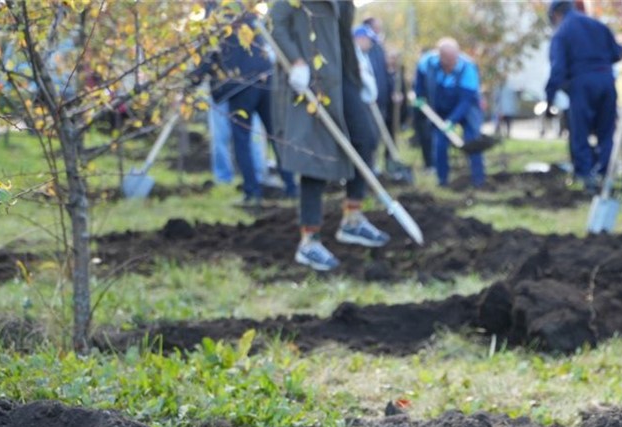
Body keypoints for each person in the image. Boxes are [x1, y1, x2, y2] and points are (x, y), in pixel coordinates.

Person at [270, 0, 389, 271]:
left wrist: (358, 75)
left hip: (342, 78)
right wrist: (296, 61)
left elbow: (343, 36)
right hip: (312, 81)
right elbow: (275, 25)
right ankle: (309, 241)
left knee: (366, 138)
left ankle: (352, 218)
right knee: (316, 155)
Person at [192, 4, 295, 208]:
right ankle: (291, 187)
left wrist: (194, 78)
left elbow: (209, 51)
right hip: (265, 77)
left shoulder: (215, 13)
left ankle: (252, 192)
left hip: (241, 84)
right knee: (276, 135)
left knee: (241, 138)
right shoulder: (242, 8)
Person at [544, 0, 622, 194]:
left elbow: (558, 70)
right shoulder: (598, 25)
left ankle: (587, 178)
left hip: (582, 84)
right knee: (606, 132)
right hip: (606, 81)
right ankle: (605, 175)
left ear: (555, 15)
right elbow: (618, 53)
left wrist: (549, 100)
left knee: (580, 133)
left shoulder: (562, 33)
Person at [414, 38, 485, 188]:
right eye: (448, 60)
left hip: (466, 109)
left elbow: (466, 100)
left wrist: (452, 121)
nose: (451, 63)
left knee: (472, 139)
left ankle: (478, 180)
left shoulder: (468, 68)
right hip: (441, 109)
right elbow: (419, 75)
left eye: (454, 59)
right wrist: (419, 95)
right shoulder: (428, 62)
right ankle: (443, 180)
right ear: (441, 57)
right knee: (439, 143)